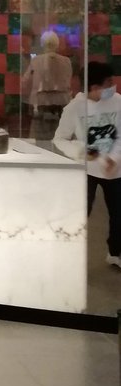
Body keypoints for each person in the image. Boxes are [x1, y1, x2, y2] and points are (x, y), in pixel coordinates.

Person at [54, 61, 121, 269]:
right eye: (109, 83)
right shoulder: (74, 108)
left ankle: (115, 253)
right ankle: (69, 255)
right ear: (94, 87)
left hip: (116, 170)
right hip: (86, 170)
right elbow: (60, 138)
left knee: (118, 214)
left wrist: (114, 158)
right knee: (80, 213)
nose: (113, 87)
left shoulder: (118, 102)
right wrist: (81, 151)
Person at [23, 31, 73, 141]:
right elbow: (68, 79)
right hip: (62, 101)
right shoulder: (66, 61)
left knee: (40, 135)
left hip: (41, 102)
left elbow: (25, 80)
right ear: (57, 44)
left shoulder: (36, 60)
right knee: (61, 135)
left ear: (42, 43)